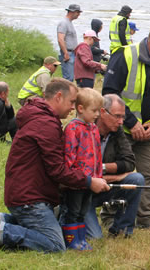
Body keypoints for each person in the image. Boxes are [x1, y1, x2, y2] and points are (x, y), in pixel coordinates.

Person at [0, 78, 109, 253]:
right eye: (71, 102)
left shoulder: (43, 117)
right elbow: (58, 170)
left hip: (27, 193)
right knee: (55, 245)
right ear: (58, 97)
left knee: (54, 229)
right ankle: (0, 231)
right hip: (29, 199)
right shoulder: (45, 124)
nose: (73, 107)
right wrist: (88, 182)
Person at [102, 18, 150, 231]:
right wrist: (130, 122)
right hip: (119, 129)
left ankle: (146, 220)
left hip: (149, 130)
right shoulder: (125, 55)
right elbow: (109, 93)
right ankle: (109, 218)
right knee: (118, 172)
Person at [84, 94, 144, 239]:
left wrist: (102, 169)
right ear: (103, 113)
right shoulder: (84, 129)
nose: (121, 121)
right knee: (95, 238)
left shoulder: (117, 131)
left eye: (123, 117)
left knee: (137, 179)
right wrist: (112, 175)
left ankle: (121, 230)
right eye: (117, 116)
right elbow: (83, 171)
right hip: (82, 192)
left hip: (105, 185)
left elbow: (129, 163)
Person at [61, 87, 104, 250]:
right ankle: (72, 241)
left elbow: (98, 154)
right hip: (76, 181)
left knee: (83, 210)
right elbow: (69, 154)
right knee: (73, 211)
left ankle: (81, 240)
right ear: (80, 108)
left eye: (98, 111)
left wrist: (98, 175)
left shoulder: (93, 128)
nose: (97, 115)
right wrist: (71, 176)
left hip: (91, 180)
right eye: (94, 111)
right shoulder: (73, 128)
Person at [57, 4, 82, 82]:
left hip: (72, 53)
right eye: (78, 12)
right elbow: (60, 39)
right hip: (68, 53)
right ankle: (64, 93)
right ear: (72, 12)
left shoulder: (69, 23)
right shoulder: (63, 23)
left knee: (70, 78)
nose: (79, 14)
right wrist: (65, 53)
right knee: (68, 79)